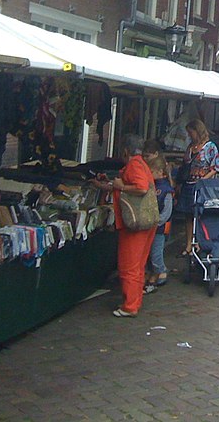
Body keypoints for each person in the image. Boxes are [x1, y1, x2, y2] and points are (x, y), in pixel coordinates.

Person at [91, 134, 156, 318]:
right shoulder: (142, 163)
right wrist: (110, 184)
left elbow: (141, 188)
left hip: (135, 224)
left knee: (128, 265)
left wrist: (120, 187)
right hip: (146, 222)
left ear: (125, 150)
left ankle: (130, 306)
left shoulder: (134, 164)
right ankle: (134, 301)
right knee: (138, 265)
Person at [178, 119, 219, 255]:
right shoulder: (190, 146)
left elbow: (215, 168)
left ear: (198, 131)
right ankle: (188, 244)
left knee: (200, 215)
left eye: (191, 132)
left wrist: (203, 180)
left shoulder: (210, 147)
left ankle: (200, 243)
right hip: (187, 184)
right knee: (187, 216)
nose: (190, 135)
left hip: (202, 187)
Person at [145, 155, 174, 291]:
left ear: (160, 172)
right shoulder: (152, 186)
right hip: (151, 225)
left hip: (160, 227)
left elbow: (167, 212)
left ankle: (161, 271)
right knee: (150, 252)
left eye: (151, 172)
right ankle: (153, 272)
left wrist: (158, 221)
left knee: (156, 252)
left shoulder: (166, 190)